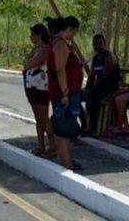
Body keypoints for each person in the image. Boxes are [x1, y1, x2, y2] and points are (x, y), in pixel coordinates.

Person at [46, 15, 83, 170]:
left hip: (63, 91)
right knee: (65, 128)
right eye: (75, 31)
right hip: (65, 92)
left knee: (63, 127)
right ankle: (65, 161)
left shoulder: (57, 42)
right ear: (70, 29)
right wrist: (65, 93)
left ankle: (65, 160)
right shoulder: (60, 45)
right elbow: (60, 69)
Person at [23, 23, 56, 158]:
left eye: (33, 35)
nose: (31, 37)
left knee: (44, 117)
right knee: (38, 117)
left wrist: (29, 62)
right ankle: (41, 144)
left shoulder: (45, 50)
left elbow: (30, 64)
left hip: (41, 87)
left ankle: (53, 146)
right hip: (32, 85)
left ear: (40, 35)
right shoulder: (35, 49)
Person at [82, 34, 120, 135]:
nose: (97, 46)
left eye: (100, 43)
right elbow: (91, 76)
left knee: (92, 98)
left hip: (110, 86)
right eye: (95, 44)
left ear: (105, 44)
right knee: (79, 95)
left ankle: (93, 127)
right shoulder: (95, 58)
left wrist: (92, 89)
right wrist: (86, 88)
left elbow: (105, 76)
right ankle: (84, 124)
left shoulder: (109, 56)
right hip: (99, 86)